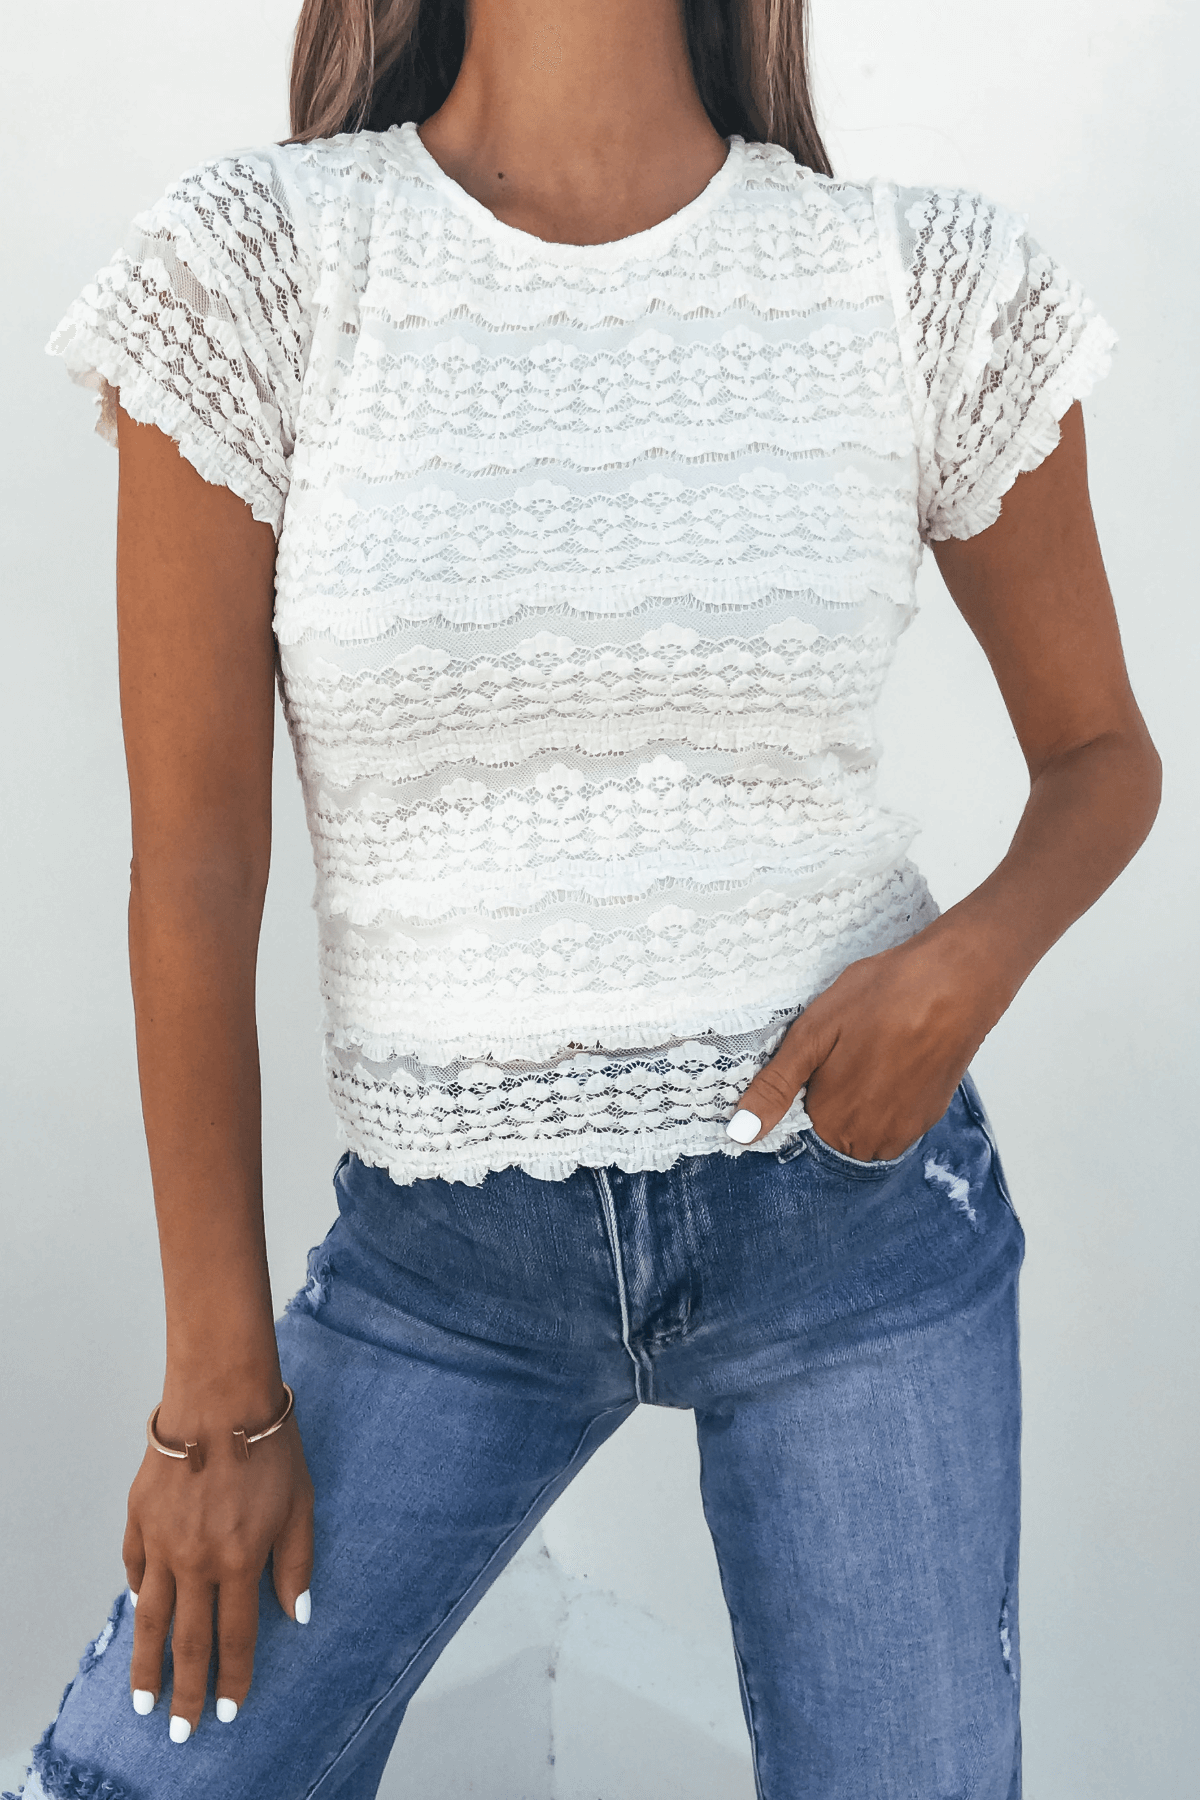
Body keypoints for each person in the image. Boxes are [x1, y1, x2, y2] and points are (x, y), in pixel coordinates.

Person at [21, 0, 1159, 1795]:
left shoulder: (915, 282)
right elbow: (198, 872)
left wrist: (962, 969)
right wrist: (213, 1394)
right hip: (444, 1261)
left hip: (852, 1214)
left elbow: (1103, 757)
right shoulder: (262, 270)